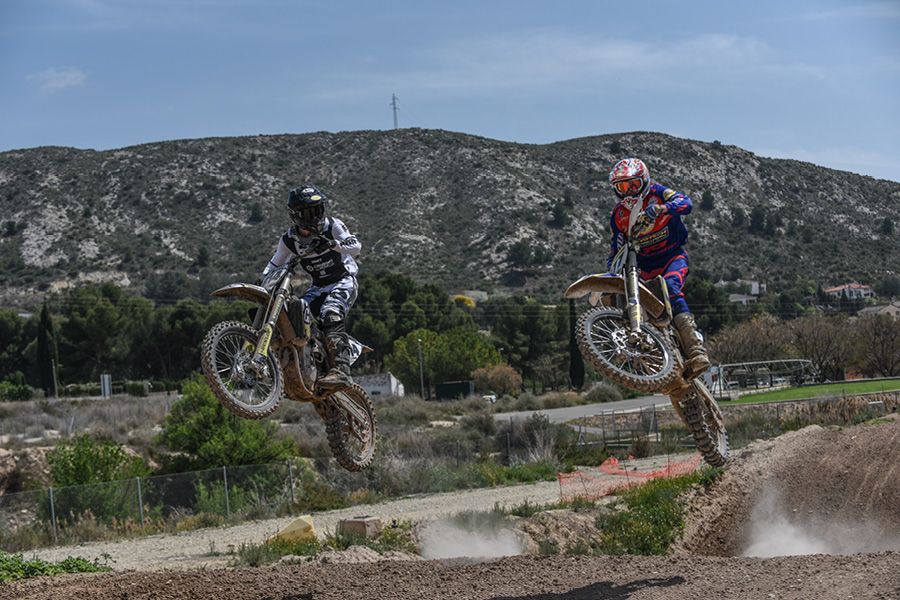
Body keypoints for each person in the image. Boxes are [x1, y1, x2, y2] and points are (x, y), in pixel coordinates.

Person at [607, 157, 710, 376]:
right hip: (642, 266)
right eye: (622, 187)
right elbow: (616, 246)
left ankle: (695, 349)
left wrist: (663, 209)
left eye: (633, 185)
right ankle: (633, 348)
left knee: (672, 287)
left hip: (671, 258)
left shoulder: (658, 192)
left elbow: (686, 203)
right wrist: (612, 271)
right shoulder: (618, 215)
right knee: (621, 293)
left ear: (644, 180)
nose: (629, 192)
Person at [261, 185, 361, 386]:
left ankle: (341, 370)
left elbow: (356, 247)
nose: (316, 216)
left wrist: (333, 244)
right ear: (296, 215)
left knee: (330, 312)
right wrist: (262, 280)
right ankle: (300, 360)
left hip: (342, 280)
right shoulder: (290, 240)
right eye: (310, 211)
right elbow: (274, 264)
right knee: (291, 314)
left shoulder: (332, 226)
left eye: (318, 209)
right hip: (318, 287)